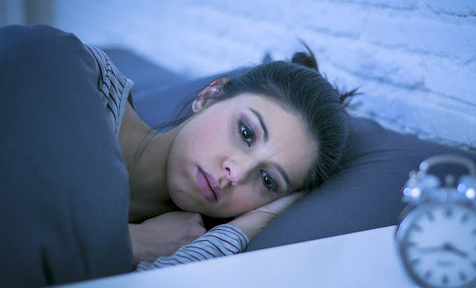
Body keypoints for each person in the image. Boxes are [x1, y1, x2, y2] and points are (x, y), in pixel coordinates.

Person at [86, 40, 355, 269]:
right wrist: (134, 242)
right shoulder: (85, 77)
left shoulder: (180, 243)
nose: (236, 173)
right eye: (246, 133)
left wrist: (247, 226)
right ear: (210, 94)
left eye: (267, 180)